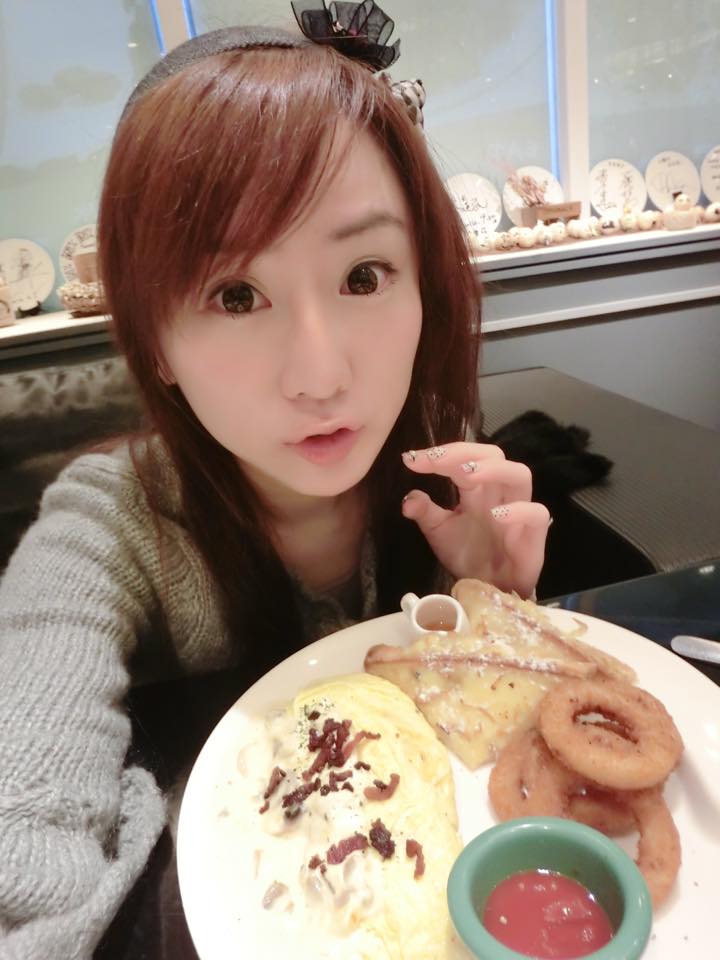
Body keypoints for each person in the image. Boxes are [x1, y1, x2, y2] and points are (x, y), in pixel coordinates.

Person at [0, 4, 550, 956]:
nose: (320, 375)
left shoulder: (442, 461)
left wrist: (493, 612)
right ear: (154, 342)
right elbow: (22, 828)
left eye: (365, 275)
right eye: (236, 295)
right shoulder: (109, 522)